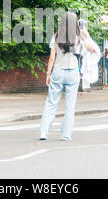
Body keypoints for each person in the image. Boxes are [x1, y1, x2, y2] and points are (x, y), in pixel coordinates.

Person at [39, 12, 95, 141]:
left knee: (51, 102)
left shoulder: (56, 36)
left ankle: (43, 132)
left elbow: (52, 58)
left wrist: (48, 74)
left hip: (58, 71)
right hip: (73, 72)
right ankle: (66, 134)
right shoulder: (79, 37)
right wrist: (85, 33)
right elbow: (91, 49)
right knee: (70, 105)